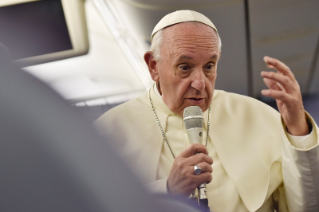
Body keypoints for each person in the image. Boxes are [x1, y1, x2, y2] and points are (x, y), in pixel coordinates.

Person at [94, 10, 319, 211]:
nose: (200, 83)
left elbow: (308, 205)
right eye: (185, 67)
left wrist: (298, 130)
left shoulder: (254, 115)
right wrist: (168, 190)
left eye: (209, 66)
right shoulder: (109, 131)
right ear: (154, 66)